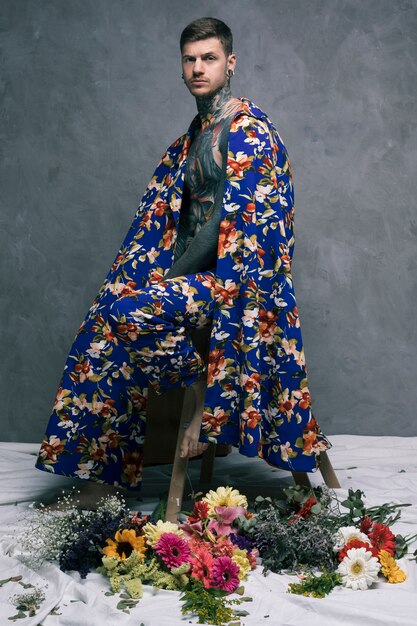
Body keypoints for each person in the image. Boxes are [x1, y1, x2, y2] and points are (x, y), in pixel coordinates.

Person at [35, 17, 331, 506]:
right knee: (103, 326)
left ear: (230, 64)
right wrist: (147, 275)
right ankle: (99, 477)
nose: (198, 67)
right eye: (190, 59)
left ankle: (198, 391)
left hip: (234, 283)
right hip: (193, 283)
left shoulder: (249, 134)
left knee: (131, 311)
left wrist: (162, 281)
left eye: (209, 58)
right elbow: (170, 223)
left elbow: (240, 233)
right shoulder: (191, 138)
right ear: (181, 68)